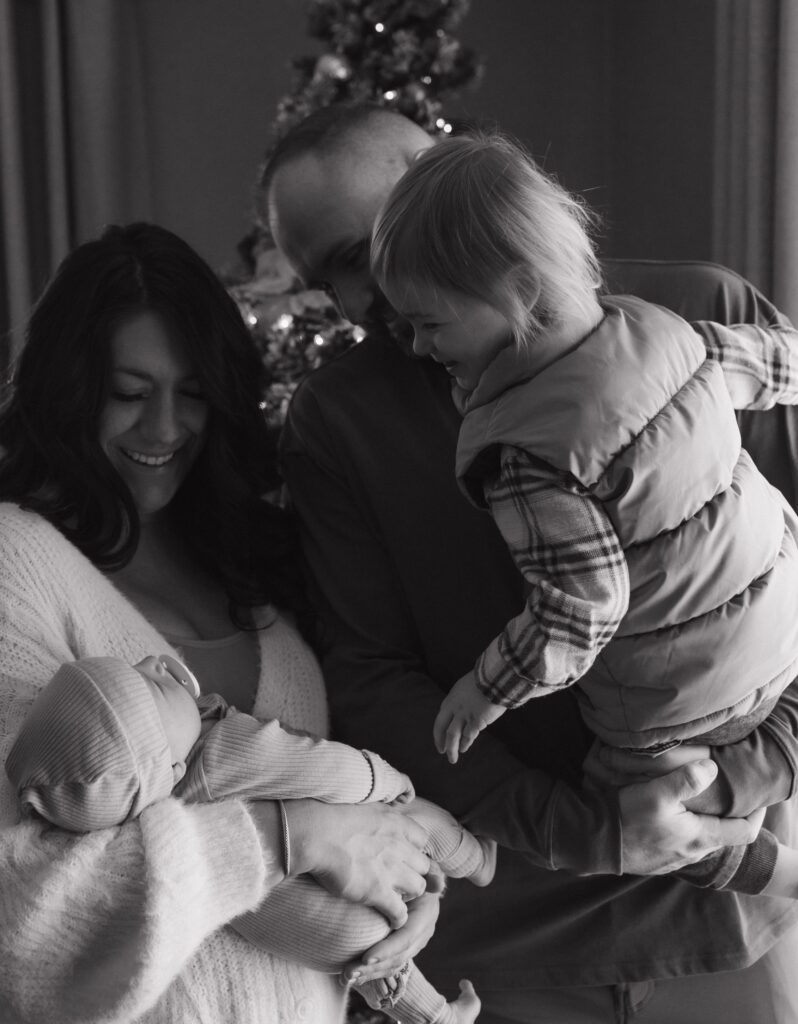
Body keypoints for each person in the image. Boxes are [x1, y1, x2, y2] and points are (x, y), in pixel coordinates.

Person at [261, 101, 798, 1023]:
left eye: (363, 252)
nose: (363, 301)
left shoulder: (699, 313)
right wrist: (593, 831)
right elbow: (370, 675)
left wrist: (743, 776)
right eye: (329, 280)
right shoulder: (338, 419)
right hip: (509, 948)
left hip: (724, 917)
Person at [0, 222, 439, 1024]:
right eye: (129, 394)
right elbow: (22, 890)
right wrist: (287, 840)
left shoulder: (253, 557)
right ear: (68, 391)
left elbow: (334, 778)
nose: (165, 429)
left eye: (193, 392)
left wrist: (403, 888)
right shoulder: (13, 562)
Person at [371, 126, 798, 901]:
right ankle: (768, 772)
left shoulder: (531, 455)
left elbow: (582, 613)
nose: (419, 347)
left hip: (682, 691)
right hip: (780, 605)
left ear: (519, 294)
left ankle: (756, 856)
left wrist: (486, 687)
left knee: (629, 805)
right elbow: (763, 362)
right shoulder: (656, 328)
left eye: (431, 324)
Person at [7, 651, 492, 1024]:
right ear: (169, 766)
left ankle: (436, 1015)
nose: (152, 664)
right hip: (360, 870)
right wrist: (386, 784)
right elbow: (319, 766)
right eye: (152, 687)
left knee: (379, 965)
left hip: (329, 939)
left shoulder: (164, 824)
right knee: (426, 824)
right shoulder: (217, 755)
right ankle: (475, 859)